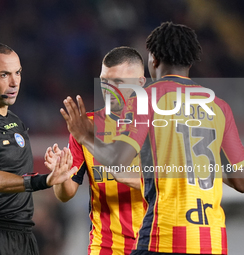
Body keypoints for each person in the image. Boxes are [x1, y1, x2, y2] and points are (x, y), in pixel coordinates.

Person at [60, 22, 244, 255]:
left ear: (153, 60)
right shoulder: (219, 107)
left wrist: (85, 136)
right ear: (189, 62)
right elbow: (241, 181)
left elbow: (118, 164)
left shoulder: (144, 100)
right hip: (213, 243)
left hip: (163, 239)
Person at [0, 42, 77, 255]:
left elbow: (62, 194)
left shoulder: (16, 122)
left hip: (25, 237)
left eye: (17, 73)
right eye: (3, 75)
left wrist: (62, 174)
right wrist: (44, 180)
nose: (14, 82)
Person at [45, 46, 146, 254]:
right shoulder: (86, 127)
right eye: (104, 81)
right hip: (107, 247)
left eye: (118, 82)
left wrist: (120, 171)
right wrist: (61, 175)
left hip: (155, 244)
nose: (109, 89)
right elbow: (65, 194)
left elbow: (169, 184)